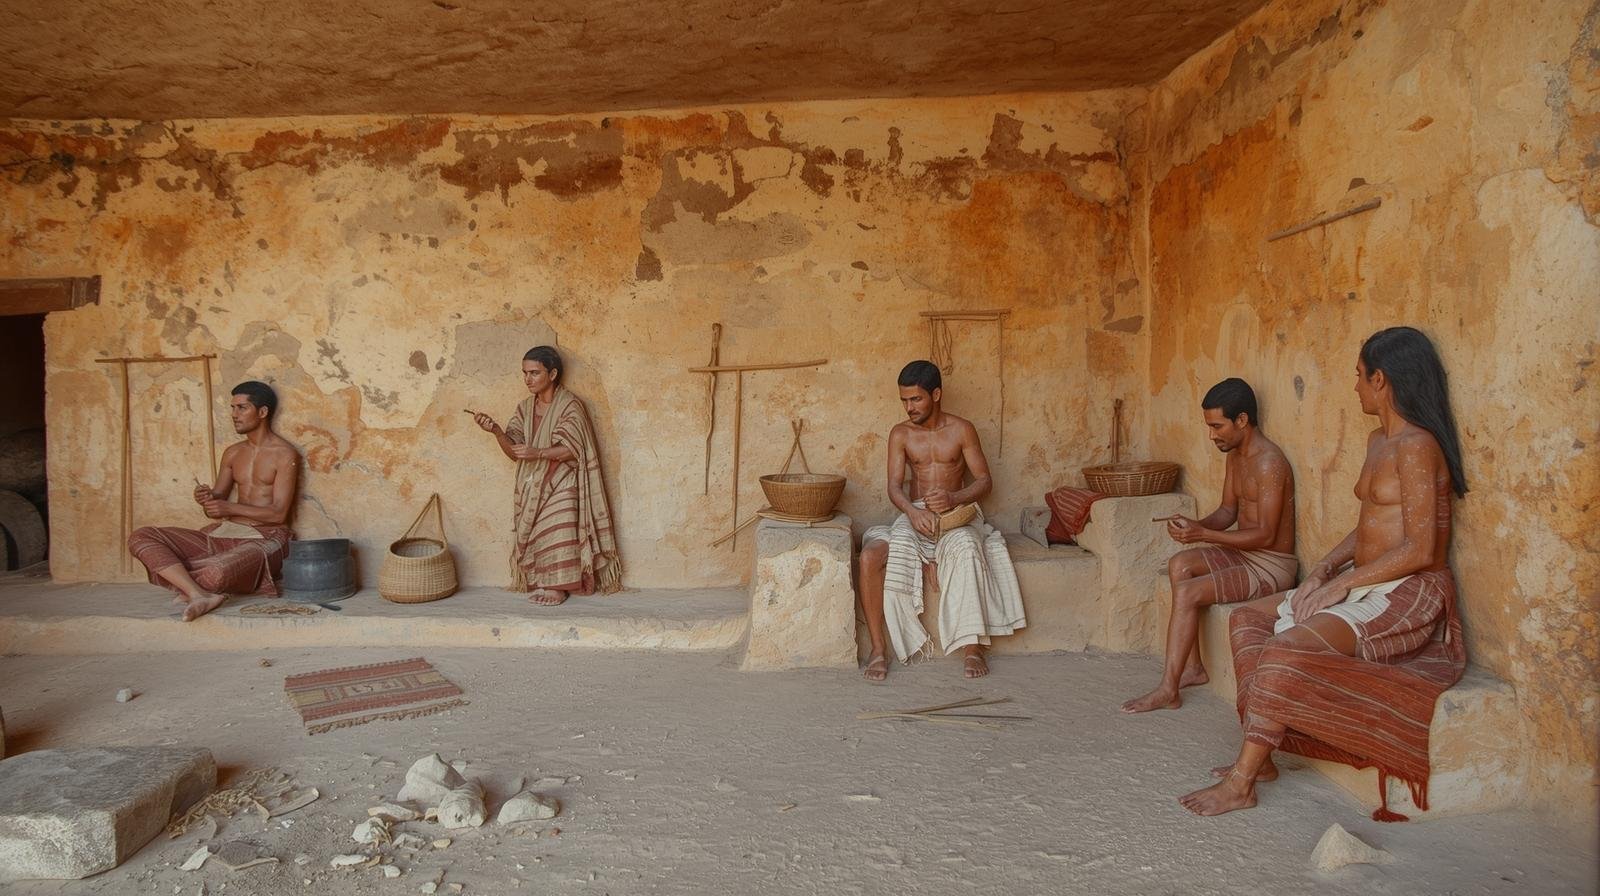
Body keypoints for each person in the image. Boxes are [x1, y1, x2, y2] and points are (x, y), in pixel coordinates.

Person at [1180, 327, 1468, 817]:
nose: (1354, 387)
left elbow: (1420, 549)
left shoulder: (1418, 446)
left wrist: (1340, 585)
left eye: (1359, 376)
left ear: (1381, 379)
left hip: (1408, 591)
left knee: (1285, 647)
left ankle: (1243, 780)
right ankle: (1263, 750)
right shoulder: (1380, 440)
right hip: (1365, 578)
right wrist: (1323, 571)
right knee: (1248, 619)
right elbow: (1369, 528)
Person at [1121, 378, 1296, 713]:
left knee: (1188, 592)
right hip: (1244, 554)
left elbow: (1266, 536)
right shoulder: (1236, 455)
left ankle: (1168, 689)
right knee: (1179, 564)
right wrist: (1197, 526)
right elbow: (1228, 511)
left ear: (1242, 420)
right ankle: (1193, 668)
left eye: (1217, 426)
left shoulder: (1269, 463)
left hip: (1271, 565)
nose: (1212, 435)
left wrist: (1204, 535)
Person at [857, 360, 1026, 681]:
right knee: (869, 557)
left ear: (936, 394)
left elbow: (984, 481)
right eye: (904, 400)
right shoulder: (901, 434)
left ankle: (972, 646)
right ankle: (879, 648)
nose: (909, 407)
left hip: (955, 513)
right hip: (916, 513)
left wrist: (954, 498)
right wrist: (912, 511)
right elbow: (894, 486)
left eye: (916, 399)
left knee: (968, 547)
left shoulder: (961, 430)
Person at [128, 381, 298, 621]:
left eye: (241, 408)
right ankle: (199, 594)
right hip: (223, 533)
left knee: (216, 573)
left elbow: (278, 514)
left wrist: (228, 507)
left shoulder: (284, 454)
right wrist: (207, 499)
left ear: (262, 412)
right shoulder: (233, 452)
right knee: (142, 536)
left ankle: (184, 582)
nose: (234, 415)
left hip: (266, 537)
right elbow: (216, 508)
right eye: (232, 408)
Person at [473, 346, 621, 605]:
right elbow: (515, 452)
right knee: (539, 533)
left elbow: (576, 449)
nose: (528, 379)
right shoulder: (524, 409)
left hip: (563, 480)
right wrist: (496, 431)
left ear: (552, 374)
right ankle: (543, 581)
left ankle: (557, 586)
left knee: (558, 530)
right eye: (524, 373)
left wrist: (538, 453)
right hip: (531, 482)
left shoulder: (570, 406)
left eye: (534, 372)